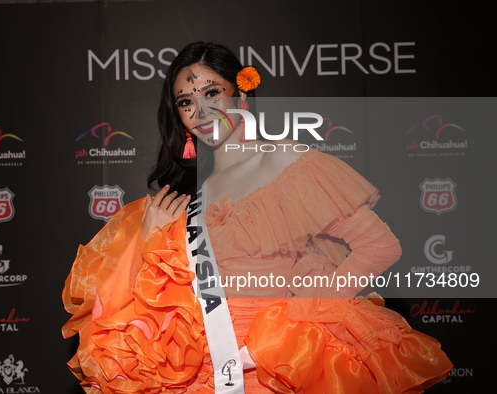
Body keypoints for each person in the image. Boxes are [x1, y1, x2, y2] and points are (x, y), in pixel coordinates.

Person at [62, 42, 452, 393]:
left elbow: (380, 246)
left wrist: (301, 319)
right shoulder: (186, 194)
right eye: (185, 102)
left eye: (212, 93)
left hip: (278, 369)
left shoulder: (285, 160)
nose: (200, 111)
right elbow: (164, 298)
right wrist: (151, 238)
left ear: (242, 92)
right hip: (202, 373)